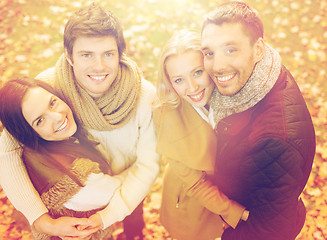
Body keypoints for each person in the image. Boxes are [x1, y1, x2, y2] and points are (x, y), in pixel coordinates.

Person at [0, 3, 160, 240]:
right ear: (69, 55)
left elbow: (148, 165)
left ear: (120, 53)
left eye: (108, 54)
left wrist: (109, 214)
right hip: (80, 187)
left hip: (130, 186)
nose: (99, 67)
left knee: (134, 224)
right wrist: (41, 220)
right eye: (86, 55)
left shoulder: (145, 96)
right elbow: (8, 150)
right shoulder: (48, 87)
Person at [200, 2, 316, 239]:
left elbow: (270, 231)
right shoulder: (265, 74)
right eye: (209, 53)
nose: (217, 66)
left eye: (231, 49)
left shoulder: (274, 142)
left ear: (259, 49)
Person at [153, 30, 249, 240]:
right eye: (179, 80)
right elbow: (196, 184)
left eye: (197, 72)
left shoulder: (232, 92)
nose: (193, 87)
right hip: (192, 198)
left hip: (234, 188)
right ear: (169, 83)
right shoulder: (167, 120)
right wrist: (238, 213)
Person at [0, 78, 123, 240]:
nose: (57, 117)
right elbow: (122, 192)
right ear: (28, 134)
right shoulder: (68, 176)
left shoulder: (48, 144)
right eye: (40, 120)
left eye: (52, 103)